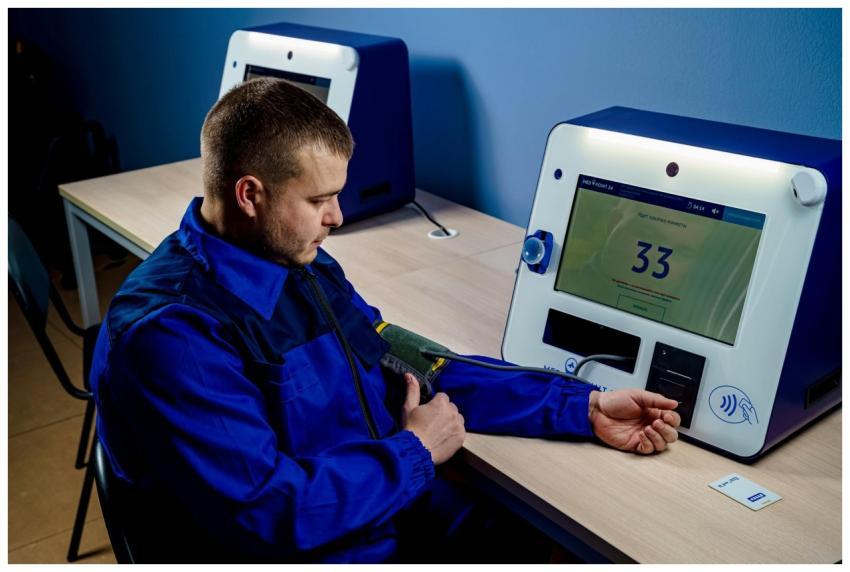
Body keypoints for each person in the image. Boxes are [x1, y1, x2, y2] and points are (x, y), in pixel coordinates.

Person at [90, 77, 681, 563]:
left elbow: (407, 364)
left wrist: (579, 406)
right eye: (320, 200)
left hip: (379, 511)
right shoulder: (173, 336)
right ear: (250, 195)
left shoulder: (299, 265)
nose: (338, 218)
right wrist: (416, 450)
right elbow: (270, 515)